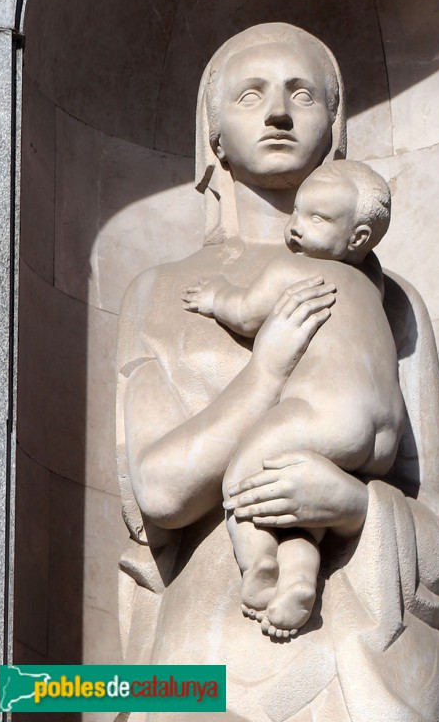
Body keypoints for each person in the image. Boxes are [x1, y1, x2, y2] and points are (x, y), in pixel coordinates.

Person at [116, 23, 439, 722]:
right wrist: (267, 371)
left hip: (357, 663)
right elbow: (159, 493)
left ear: (335, 127)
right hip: (201, 671)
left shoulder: (391, 298)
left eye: (302, 95)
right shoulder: (163, 292)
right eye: (251, 93)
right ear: (213, 134)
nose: (279, 112)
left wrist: (352, 506)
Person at [181, 160, 405, 637]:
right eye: (297, 212)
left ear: (358, 237)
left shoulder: (291, 268)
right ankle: (301, 576)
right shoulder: (373, 286)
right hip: (384, 435)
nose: (296, 227)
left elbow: (245, 313)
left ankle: (259, 564)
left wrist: (216, 298)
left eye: (316, 219)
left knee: (245, 481)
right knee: (299, 512)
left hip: (324, 414)